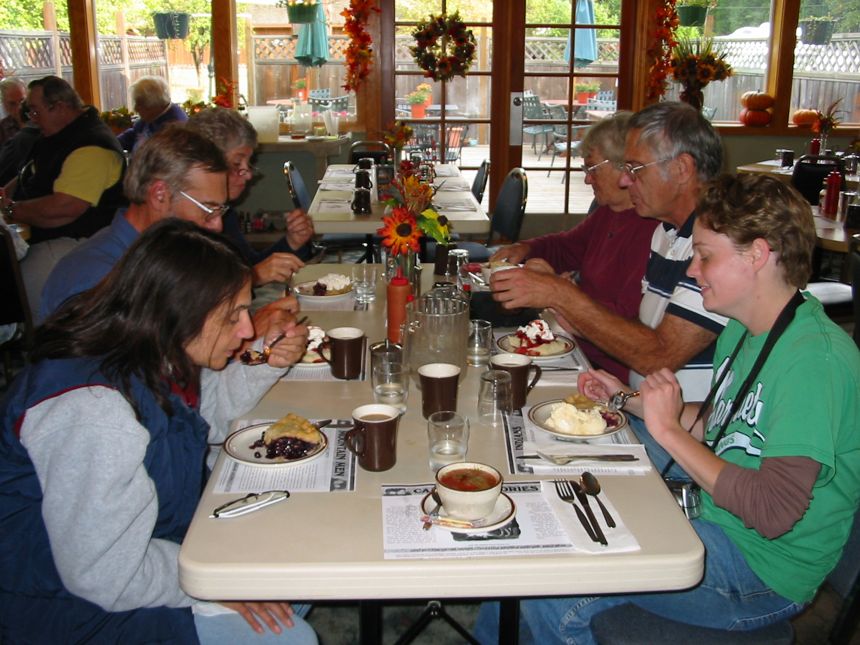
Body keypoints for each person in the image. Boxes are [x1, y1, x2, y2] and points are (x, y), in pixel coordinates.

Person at [475, 174, 860, 644]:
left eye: (705, 256)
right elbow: (723, 424)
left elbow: (773, 511)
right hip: (718, 519)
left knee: (551, 580)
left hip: (762, 572)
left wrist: (669, 433)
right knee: (556, 476)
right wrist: (626, 399)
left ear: (757, 255)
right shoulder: (748, 328)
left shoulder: (814, 362)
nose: (693, 270)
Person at [0, 219, 315, 644]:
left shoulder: (151, 349)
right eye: (232, 316)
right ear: (180, 313)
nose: (247, 329)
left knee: (293, 557)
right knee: (290, 635)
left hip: (140, 554)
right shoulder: (94, 413)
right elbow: (104, 575)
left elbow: (207, 415)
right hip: (65, 606)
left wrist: (264, 358)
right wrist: (211, 582)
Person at [492, 101, 727, 401]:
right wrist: (568, 308)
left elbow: (659, 356)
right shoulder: (665, 233)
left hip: (677, 423)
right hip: (633, 400)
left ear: (681, 169)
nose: (625, 180)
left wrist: (560, 294)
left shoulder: (717, 245)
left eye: (635, 169)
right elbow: (638, 330)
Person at [488, 112, 658, 381]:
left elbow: (627, 319)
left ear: (624, 166)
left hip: (607, 371)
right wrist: (525, 249)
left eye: (592, 168)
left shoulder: (651, 229)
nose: (587, 179)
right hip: (575, 345)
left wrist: (561, 291)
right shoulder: (609, 212)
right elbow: (567, 246)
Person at [0, 75, 125, 316]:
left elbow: (65, 208)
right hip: (49, 235)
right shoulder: (59, 136)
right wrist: (5, 194)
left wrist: (13, 209)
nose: (31, 118)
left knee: (15, 283)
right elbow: (31, 173)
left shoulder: (92, 147)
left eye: (35, 111)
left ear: (59, 107)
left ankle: (32, 333)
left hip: (81, 243)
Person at [186, 107, 317, 286]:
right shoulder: (189, 220)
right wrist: (254, 276)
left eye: (248, 164)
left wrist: (292, 242)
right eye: (237, 163)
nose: (247, 174)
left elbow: (248, 264)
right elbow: (198, 293)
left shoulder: (226, 213)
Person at [117, 75, 188, 153]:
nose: (136, 108)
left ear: (154, 103)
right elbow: (133, 134)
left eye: (139, 103)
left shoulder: (174, 126)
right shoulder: (152, 117)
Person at [0, 78, 26, 145]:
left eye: (22, 101)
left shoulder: (38, 120)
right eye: (12, 104)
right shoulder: (2, 128)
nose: (19, 107)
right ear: (4, 104)